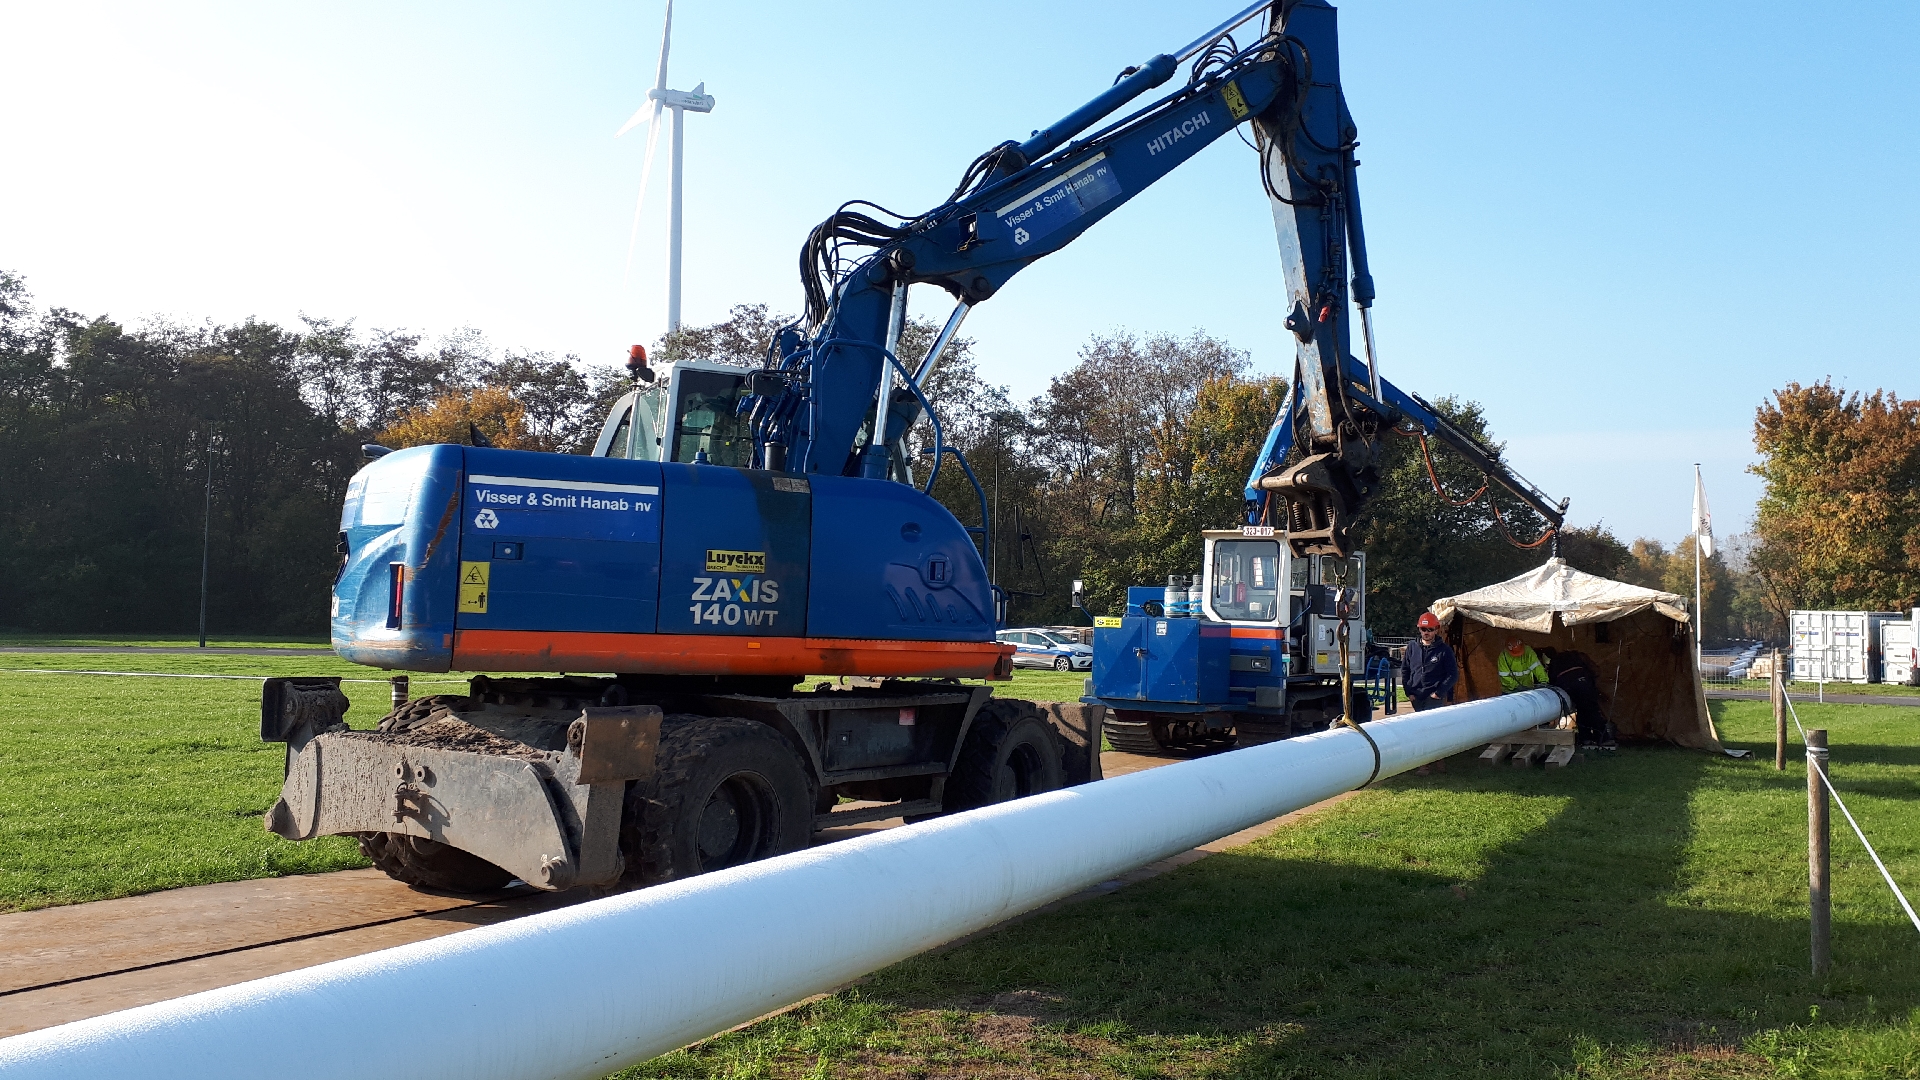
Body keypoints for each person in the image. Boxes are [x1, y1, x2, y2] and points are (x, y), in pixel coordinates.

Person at [1542, 647, 1620, 749]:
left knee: (1582, 710)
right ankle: (1603, 738)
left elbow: (1552, 680)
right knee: (1592, 710)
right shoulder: (1573, 657)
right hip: (1584, 681)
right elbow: (1592, 670)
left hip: (1568, 684)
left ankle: (1586, 738)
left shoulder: (1556, 662)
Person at [1401, 612, 1457, 712]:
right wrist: (1409, 692)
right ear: (1419, 629)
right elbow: (1405, 670)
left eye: (1430, 629)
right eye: (1423, 629)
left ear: (1436, 630)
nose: (1426, 632)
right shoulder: (1412, 647)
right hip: (1416, 696)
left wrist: (1438, 693)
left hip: (1434, 697)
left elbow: (1453, 674)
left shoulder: (1444, 650)